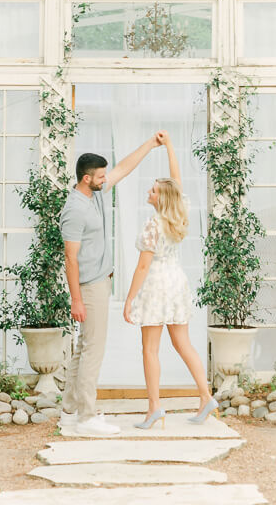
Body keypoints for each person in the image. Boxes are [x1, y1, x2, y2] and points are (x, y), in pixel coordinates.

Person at [59, 133, 164, 437]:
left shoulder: (98, 193)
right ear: (86, 178)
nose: (106, 179)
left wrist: (150, 145)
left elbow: (124, 168)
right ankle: (87, 417)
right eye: (101, 176)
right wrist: (76, 300)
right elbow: (70, 258)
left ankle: (70, 411)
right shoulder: (75, 209)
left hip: (99, 283)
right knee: (94, 348)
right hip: (88, 287)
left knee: (83, 347)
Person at [123, 131, 218, 428]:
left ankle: (154, 408)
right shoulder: (179, 213)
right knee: (183, 343)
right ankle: (205, 396)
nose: (148, 193)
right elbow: (176, 182)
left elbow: (141, 268)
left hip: (157, 284)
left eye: (152, 191)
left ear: (160, 198)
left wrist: (129, 300)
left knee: (150, 349)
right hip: (177, 281)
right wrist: (170, 147)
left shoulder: (153, 225)